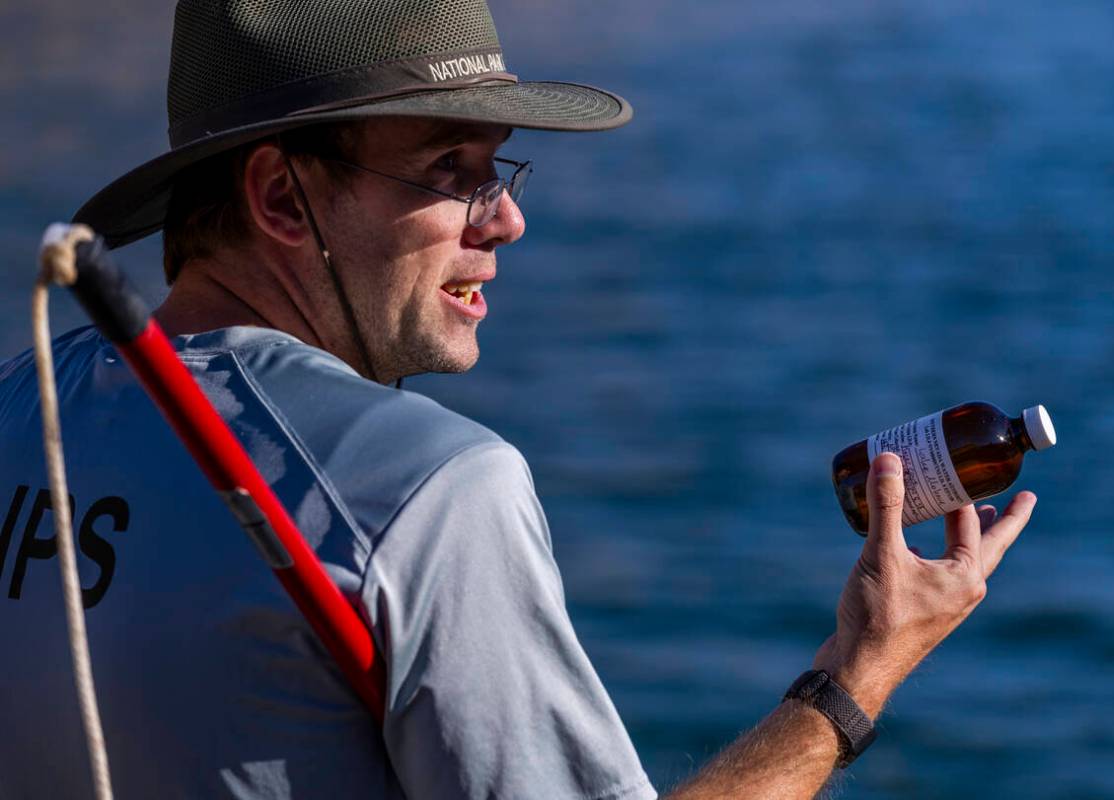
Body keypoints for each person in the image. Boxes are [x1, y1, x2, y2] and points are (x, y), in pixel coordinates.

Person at [0, 0, 1037, 798]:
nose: (504, 225)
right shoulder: (429, 489)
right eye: (451, 171)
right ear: (280, 197)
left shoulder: (13, 414)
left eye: (500, 172)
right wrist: (852, 679)